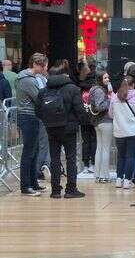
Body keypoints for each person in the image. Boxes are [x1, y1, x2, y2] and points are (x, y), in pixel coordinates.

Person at [35, 64, 89, 199]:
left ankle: (55, 191)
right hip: (69, 129)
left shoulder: (44, 91)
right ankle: (71, 189)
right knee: (70, 158)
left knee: (54, 159)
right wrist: (83, 122)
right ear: (64, 75)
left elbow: (38, 111)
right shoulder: (72, 89)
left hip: (51, 128)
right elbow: (79, 110)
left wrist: (48, 121)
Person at [16, 52, 48, 196]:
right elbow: (39, 98)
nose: (43, 69)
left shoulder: (31, 78)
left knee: (33, 152)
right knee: (28, 152)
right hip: (28, 117)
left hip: (31, 116)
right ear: (35, 64)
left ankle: (33, 183)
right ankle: (26, 186)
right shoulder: (27, 80)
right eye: (41, 65)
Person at [110, 76, 135, 189]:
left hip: (118, 131)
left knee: (121, 156)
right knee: (130, 156)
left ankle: (118, 179)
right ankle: (127, 180)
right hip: (133, 131)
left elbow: (110, 114)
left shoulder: (114, 98)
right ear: (133, 85)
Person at [90, 71, 113, 183]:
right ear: (100, 79)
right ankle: (104, 175)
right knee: (105, 149)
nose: (108, 79)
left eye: (108, 77)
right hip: (105, 121)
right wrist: (110, 100)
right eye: (105, 78)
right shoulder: (100, 91)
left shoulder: (93, 89)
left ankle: (98, 175)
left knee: (100, 148)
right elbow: (100, 106)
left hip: (97, 122)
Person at [78, 58, 97, 174]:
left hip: (83, 116)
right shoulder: (96, 85)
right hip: (95, 115)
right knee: (94, 140)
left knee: (85, 141)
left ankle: (85, 164)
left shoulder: (81, 86)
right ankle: (94, 163)